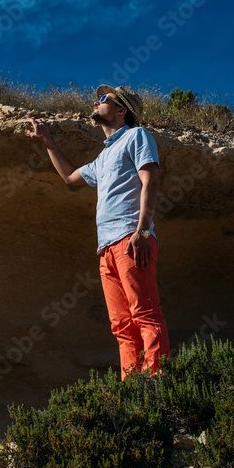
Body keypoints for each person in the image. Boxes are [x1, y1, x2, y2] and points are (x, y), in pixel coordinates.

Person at [26, 85, 171, 379]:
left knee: (145, 314)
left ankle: (157, 386)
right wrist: (48, 141)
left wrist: (142, 232)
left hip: (132, 240)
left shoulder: (136, 136)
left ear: (122, 110)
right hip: (106, 249)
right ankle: (133, 391)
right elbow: (69, 177)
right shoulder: (103, 158)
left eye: (104, 99)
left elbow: (151, 182)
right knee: (121, 326)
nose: (96, 101)